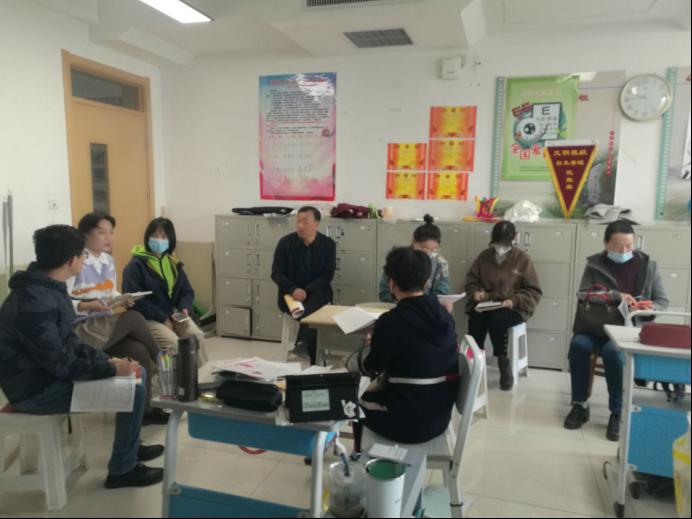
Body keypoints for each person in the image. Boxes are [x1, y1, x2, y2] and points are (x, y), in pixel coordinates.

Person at [0, 225, 164, 489]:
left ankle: (130, 447)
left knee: (136, 371)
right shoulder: (35, 301)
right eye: (82, 255)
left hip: (48, 377)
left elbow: (70, 341)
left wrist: (106, 361)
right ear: (71, 260)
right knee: (134, 387)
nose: (84, 260)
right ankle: (122, 470)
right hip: (35, 391)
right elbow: (61, 365)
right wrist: (112, 370)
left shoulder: (49, 288)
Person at [564, 220, 669, 441]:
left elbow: (662, 301)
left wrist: (650, 307)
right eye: (617, 246)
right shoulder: (595, 264)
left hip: (628, 330)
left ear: (635, 243)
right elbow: (583, 294)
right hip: (594, 326)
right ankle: (580, 404)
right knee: (578, 346)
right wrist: (615, 296)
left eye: (628, 246)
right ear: (606, 243)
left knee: (613, 352)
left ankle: (616, 412)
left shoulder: (648, 266)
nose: (623, 251)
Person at [66, 212, 167, 425]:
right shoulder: (75, 261)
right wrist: (86, 305)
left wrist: (122, 298)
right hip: (81, 329)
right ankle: (164, 361)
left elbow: (109, 292)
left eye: (111, 233)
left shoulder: (108, 261)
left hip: (102, 325)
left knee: (138, 350)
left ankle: (145, 411)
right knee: (133, 318)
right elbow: (62, 302)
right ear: (85, 234)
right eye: (101, 232)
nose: (108, 238)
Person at [359, 247, 458, 445]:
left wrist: (372, 345)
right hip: (439, 419)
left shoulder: (391, 321)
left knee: (348, 402)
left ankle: (359, 456)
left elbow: (371, 368)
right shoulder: (445, 316)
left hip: (405, 423)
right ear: (426, 282)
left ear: (392, 282)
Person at [464, 221, 542, 390]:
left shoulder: (522, 259)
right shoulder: (484, 257)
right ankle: (476, 362)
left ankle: (503, 361)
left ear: (514, 239)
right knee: (476, 316)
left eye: (504, 244)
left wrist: (514, 300)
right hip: (487, 304)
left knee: (497, 318)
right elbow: (471, 281)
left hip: (514, 307)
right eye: (497, 244)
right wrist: (475, 293)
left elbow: (533, 290)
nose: (500, 248)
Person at [122, 218, 209, 366]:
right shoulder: (136, 266)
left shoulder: (173, 264)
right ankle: (180, 380)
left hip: (174, 314)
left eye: (163, 237)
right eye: (154, 235)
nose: (158, 240)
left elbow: (187, 291)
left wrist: (184, 308)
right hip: (149, 318)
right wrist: (163, 318)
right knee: (174, 344)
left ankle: (202, 376)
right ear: (147, 237)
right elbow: (134, 301)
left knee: (197, 336)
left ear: (171, 240)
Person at [271, 206, 336, 365]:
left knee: (316, 302)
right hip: (290, 294)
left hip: (316, 292)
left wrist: (306, 290)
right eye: (298, 221)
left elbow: (327, 275)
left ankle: (301, 345)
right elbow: (277, 273)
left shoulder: (328, 244)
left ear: (316, 224)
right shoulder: (285, 243)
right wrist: (293, 289)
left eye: (305, 222)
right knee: (314, 312)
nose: (300, 226)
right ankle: (307, 351)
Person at [378, 214, 452, 312]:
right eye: (424, 248)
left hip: (427, 311)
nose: (428, 253)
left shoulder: (441, 264)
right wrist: (406, 306)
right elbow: (384, 293)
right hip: (398, 310)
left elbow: (441, 294)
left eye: (433, 250)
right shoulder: (398, 259)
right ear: (413, 241)